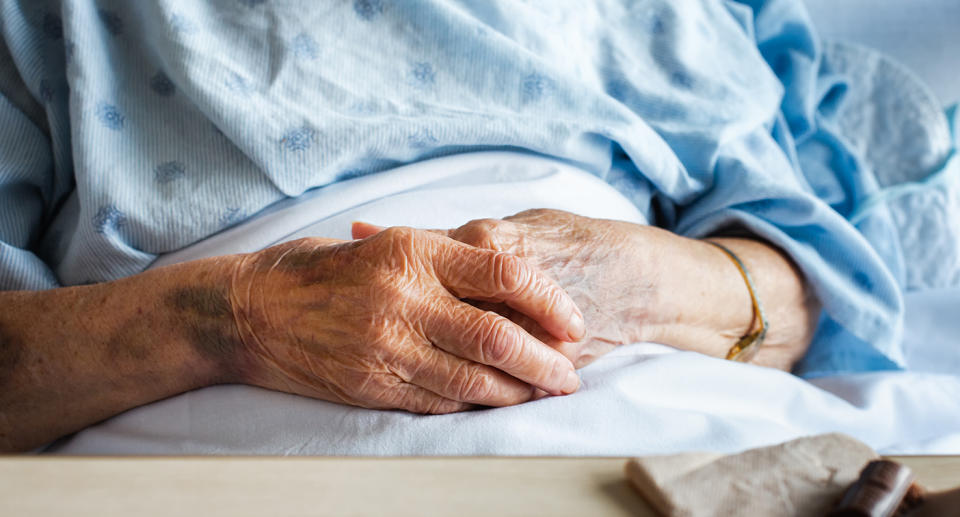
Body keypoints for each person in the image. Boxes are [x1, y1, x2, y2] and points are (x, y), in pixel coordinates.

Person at [0, 0, 924, 452]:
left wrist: (646, 283)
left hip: (675, 413)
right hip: (234, 437)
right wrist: (231, 316)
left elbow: (806, 300)